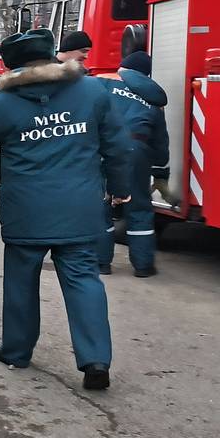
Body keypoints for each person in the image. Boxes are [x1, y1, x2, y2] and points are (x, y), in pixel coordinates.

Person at [0, 28, 130, 391]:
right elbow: (117, 144)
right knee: (84, 278)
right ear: (53, 54)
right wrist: (119, 189)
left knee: (22, 280)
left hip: (26, 208)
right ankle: (95, 359)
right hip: (80, 206)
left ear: (10, 64)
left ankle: (16, 350)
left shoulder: (5, 103)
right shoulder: (91, 90)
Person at [97, 51, 169, 277]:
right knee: (138, 208)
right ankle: (143, 265)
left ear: (124, 68)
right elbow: (160, 142)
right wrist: (160, 172)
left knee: (100, 206)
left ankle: (101, 263)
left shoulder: (103, 82)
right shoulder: (154, 99)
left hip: (104, 147)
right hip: (136, 152)